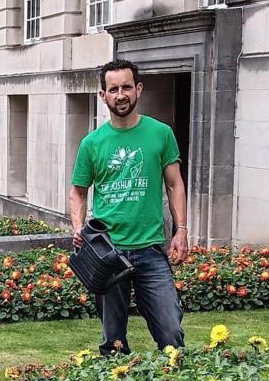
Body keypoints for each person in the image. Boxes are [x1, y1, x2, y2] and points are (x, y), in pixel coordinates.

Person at [69, 59, 189, 355]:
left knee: (171, 332)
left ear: (138, 89)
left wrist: (181, 229)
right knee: (114, 341)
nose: (120, 95)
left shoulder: (160, 133)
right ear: (102, 95)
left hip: (150, 248)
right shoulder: (92, 143)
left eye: (125, 87)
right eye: (112, 89)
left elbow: (175, 184)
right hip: (107, 252)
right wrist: (77, 229)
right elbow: (78, 192)